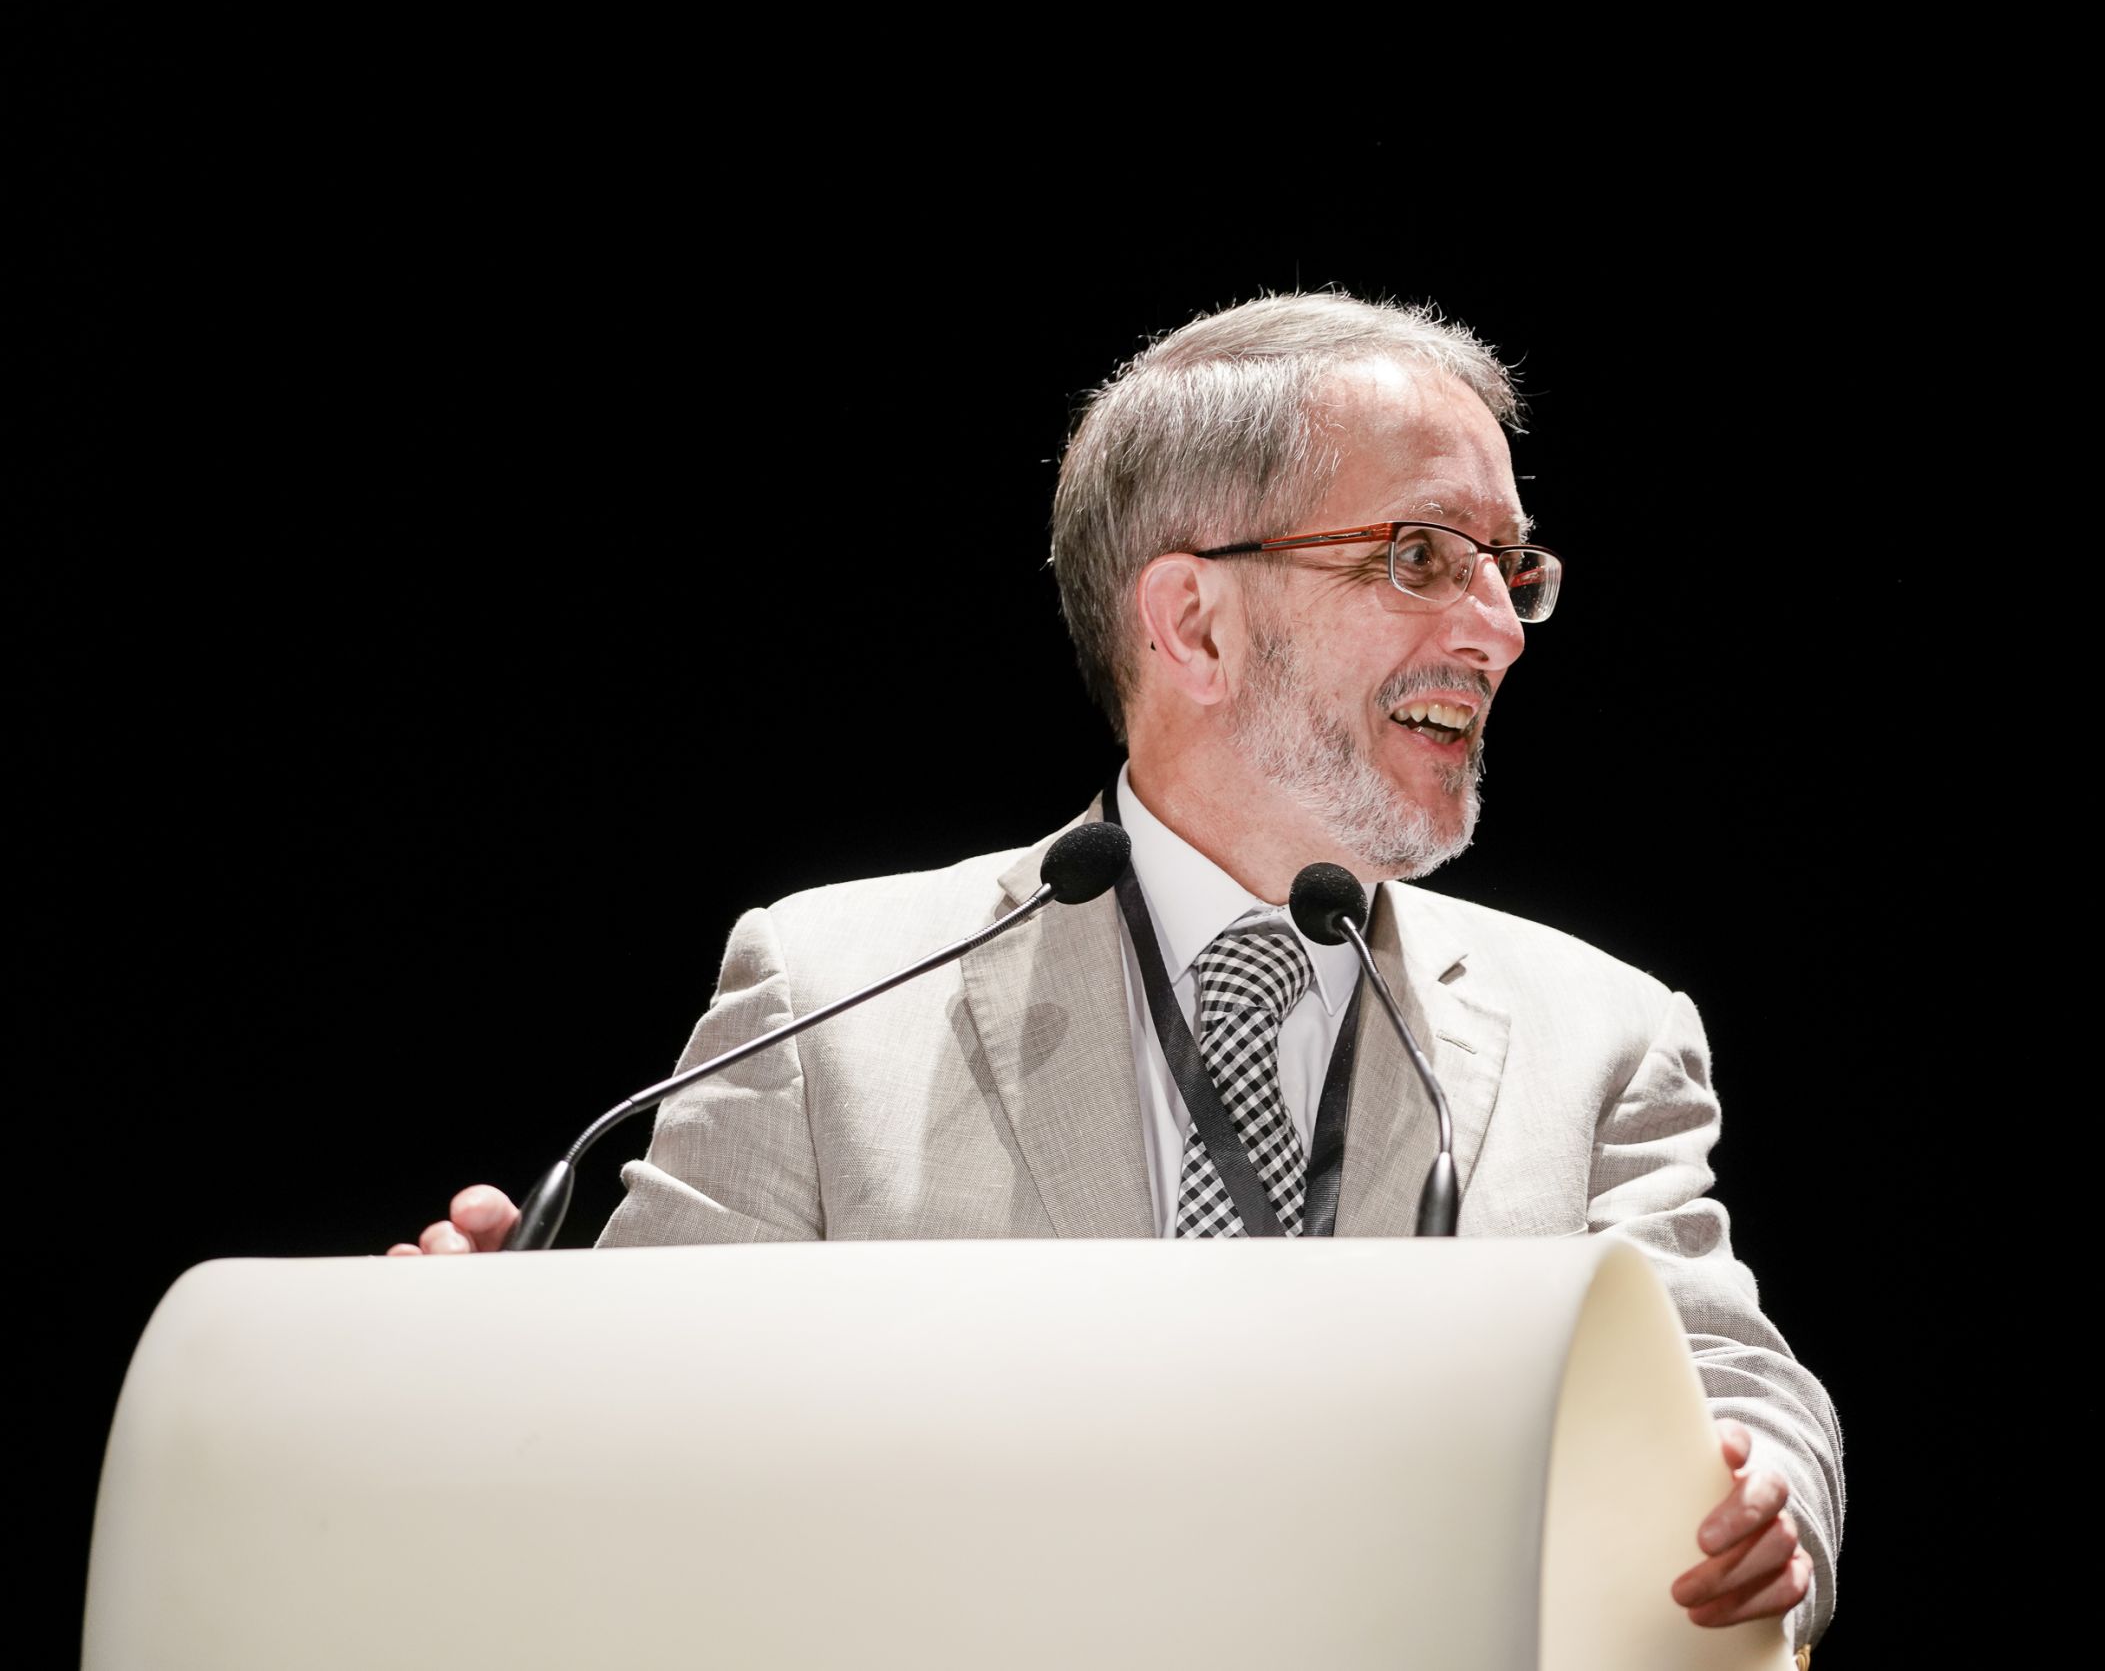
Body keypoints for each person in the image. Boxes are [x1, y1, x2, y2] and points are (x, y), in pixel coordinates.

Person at [395, 293, 1844, 1648]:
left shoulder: (1602, 1034)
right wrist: (474, 1377)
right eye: (1420, 557)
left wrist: (1761, 1500)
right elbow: (637, 1424)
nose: (1494, 630)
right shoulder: (832, 995)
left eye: (1508, 569)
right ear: (1193, 623)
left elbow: (1732, 1381)